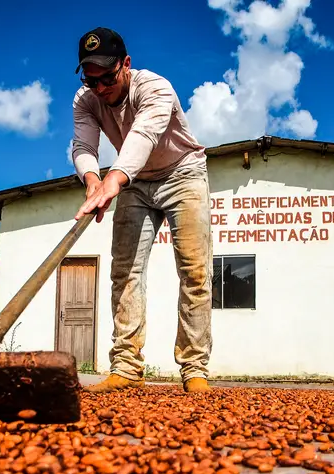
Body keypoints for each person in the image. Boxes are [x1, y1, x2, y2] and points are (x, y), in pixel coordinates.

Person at [70, 27, 212, 394]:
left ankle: (194, 368)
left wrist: (113, 180)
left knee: (195, 272)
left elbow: (143, 136)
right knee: (124, 271)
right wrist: (92, 180)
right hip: (135, 182)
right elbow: (83, 145)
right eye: (91, 80)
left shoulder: (154, 88)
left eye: (107, 77)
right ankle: (127, 367)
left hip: (182, 173)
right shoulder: (85, 100)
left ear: (126, 64)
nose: (100, 88)